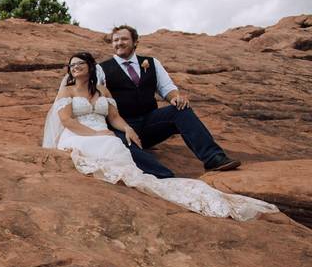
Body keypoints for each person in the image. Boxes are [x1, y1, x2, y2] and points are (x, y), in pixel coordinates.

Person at [42, 52, 277, 221]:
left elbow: (113, 116)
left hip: (117, 128)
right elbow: (66, 121)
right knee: (113, 148)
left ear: (90, 67)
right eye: (72, 65)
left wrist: (127, 129)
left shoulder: (103, 89)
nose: (75, 67)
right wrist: (98, 132)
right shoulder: (67, 90)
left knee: (122, 140)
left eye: (80, 63)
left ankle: (209, 160)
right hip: (79, 134)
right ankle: (160, 176)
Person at [95, 24, 239, 179]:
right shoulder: (101, 69)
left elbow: (167, 88)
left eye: (124, 39)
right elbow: (94, 98)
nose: (119, 43)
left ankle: (213, 158)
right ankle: (164, 176)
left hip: (150, 124)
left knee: (181, 110)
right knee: (119, 144)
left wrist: (175, 97)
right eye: (115, 40)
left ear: (135, 42)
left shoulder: (151, 63)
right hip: (123, 127)